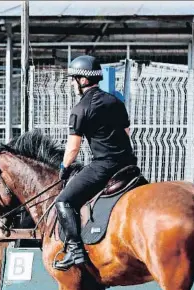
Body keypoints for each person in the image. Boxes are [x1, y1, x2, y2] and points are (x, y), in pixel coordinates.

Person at [54, 55, 138, 271]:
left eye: (74, 79)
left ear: (83, 81)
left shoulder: (81, 108)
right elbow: (127, 133)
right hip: (128, 165)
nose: (72, 84)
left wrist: (64, 168)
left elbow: (72, 149)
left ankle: (75, 250)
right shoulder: (115, 101)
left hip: (104, 166)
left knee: (64, 201)